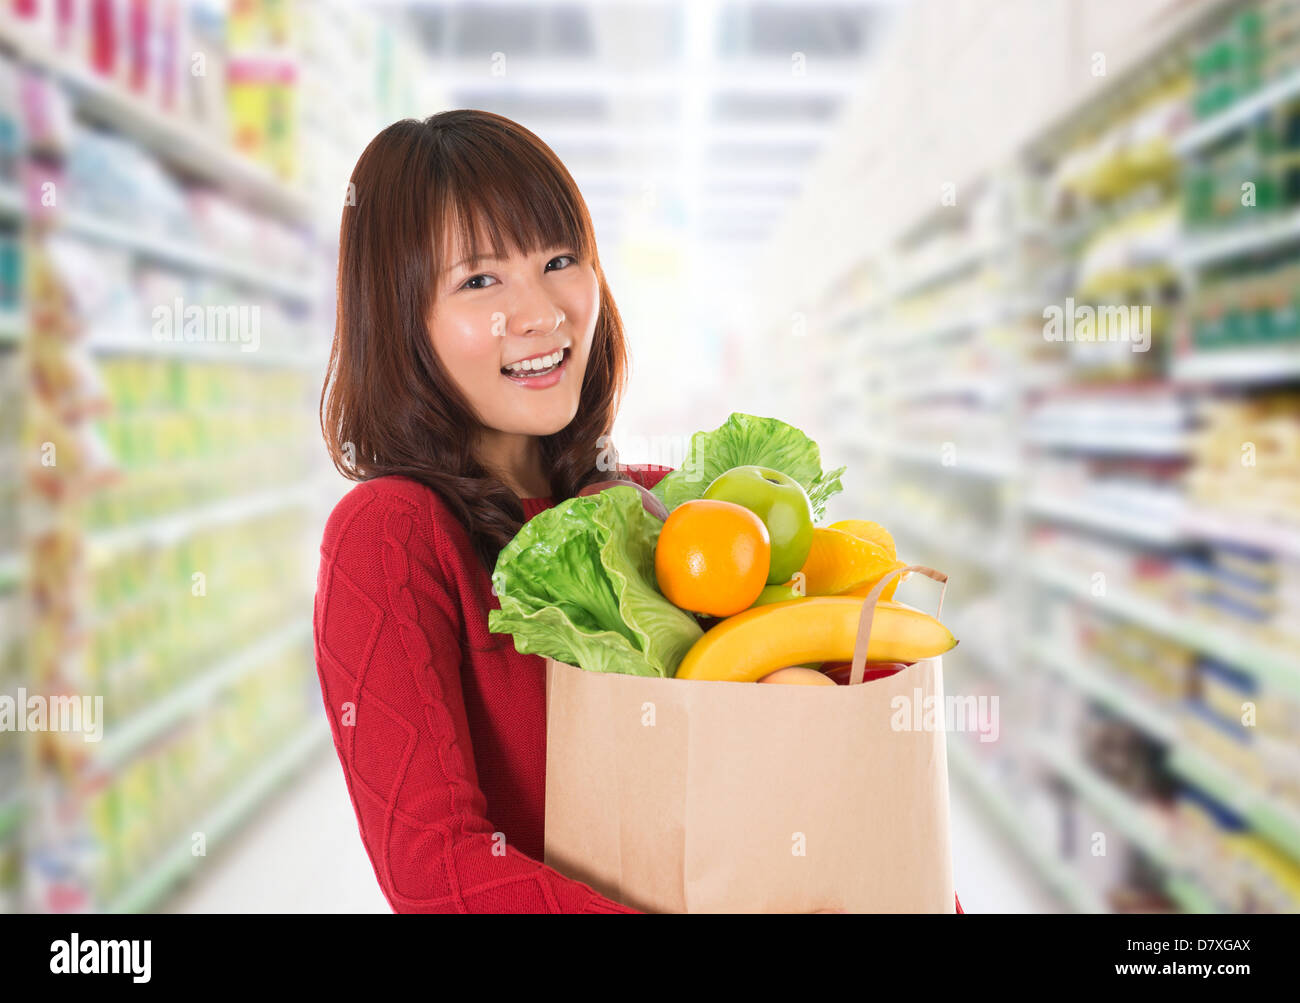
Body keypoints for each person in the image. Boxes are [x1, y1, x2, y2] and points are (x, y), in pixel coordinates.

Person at [314, 109, 964, 914]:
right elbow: (435, 870)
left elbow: (828, 757)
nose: (542, 311)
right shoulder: (390, 534)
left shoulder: (656, 510)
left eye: (559, 259)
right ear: (401, 318)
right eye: (480, 280)